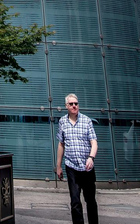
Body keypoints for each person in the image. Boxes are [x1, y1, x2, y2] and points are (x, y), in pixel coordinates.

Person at [55, 93, 98, 224]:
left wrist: (91, 157)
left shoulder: (86, 121)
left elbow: (94, 142)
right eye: (71, 104)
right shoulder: (62, 121)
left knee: (90, 200)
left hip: (87, 168)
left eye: (76, 104)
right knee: (75, 201)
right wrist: (58, 166)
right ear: (66, 106)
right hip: (71, 167)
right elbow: (61, 144)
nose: (74, 106)